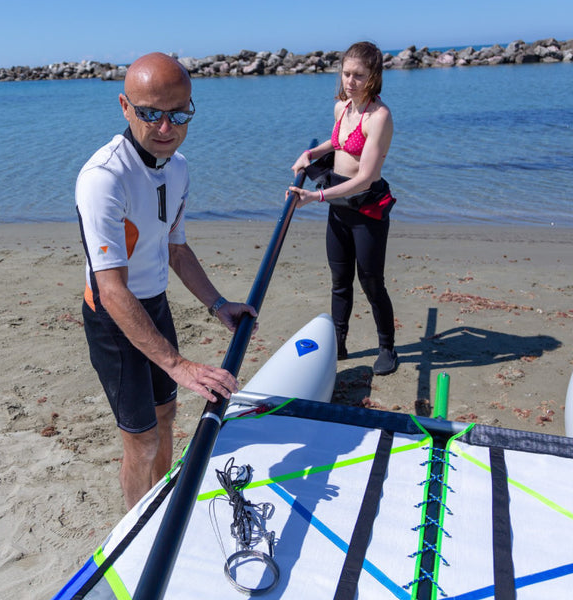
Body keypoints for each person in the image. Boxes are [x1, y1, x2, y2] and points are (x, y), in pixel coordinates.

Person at [76, 52, 257, 509]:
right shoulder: (104, 178)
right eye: (150, 114)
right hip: (113, 319)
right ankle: (139, 525)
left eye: (178, 114)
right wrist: (179, 364)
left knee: (167, 415)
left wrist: (218, 305)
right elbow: (111, 289)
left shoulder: (178, 168)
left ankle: (163, 502)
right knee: (140, 441)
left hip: (154, 305)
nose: (165, 127)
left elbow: (176, 249)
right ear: (124, 106)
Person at [290, 41, 398, 375]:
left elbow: (366, 178)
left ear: (373, 77)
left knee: (371, 281)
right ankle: (339, 343)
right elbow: (336, 143)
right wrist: (310, 154)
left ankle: (387, 348)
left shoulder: (379, 117)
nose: (350, 81)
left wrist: (316, 197)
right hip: (338, 207)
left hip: (366, 211)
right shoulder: (342, 107)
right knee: (340, 280)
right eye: (346, 73)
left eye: (358, 75)